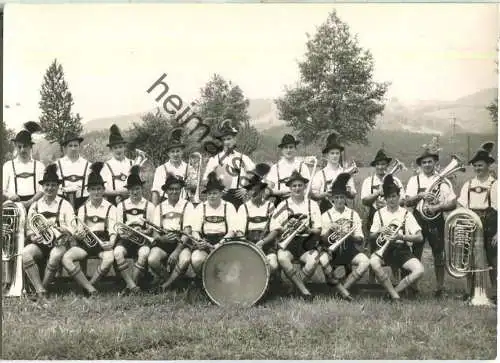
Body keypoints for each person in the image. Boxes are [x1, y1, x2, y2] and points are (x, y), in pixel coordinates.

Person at [405, 137, 457, 297]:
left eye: (430, 162)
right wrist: (420, 195)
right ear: (420, 165)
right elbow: (407, 201)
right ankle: (413, 287)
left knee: (439, 254)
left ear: (435, 163)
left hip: (436, 220)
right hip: (418, 219)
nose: (427, 165)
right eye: (424, 162)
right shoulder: (414, 180)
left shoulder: (443, 180)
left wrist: (438, 206)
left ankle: (439, 288)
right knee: (416, 253)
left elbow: (453, 203)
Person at [22, 164, 74, 305]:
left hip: (59, 243)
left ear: (58, 187)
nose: (49, 188)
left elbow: (73, 228)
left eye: (53, 185)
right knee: (26, 253)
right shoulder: (35, 205)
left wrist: (61, 229)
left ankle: (42, 289)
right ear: (42, 187)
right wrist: (33, 236)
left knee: (56, 255)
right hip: (40, 243)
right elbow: (28, 228)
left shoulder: (65, 204)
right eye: (47, 185)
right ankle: (40, 291)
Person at [62, 162, 116, 296]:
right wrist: (78, 234)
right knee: (66, 258)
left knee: (109, 259)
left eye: (99, 189)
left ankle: (90, 285)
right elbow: (79, 231)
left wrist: (111, 243)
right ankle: (90, 288)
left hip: (103, 243)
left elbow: (113, 231)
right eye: (93, 189)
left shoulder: (111, 208)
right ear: (88, 191)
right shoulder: (82, 209)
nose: (96, 192)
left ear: (103, 190)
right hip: (86, 244)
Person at [370, 175, 425, 302]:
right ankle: (395, 296)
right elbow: (371, 236)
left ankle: (393, 292)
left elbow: (419, 237)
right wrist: (379, 231)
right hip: (384, 249)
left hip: (401, 249)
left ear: (398, 197)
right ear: (385, 198)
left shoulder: (406, 214)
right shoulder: (379, 214)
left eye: (394, 196)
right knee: (373, 263)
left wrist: (402, 236)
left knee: (419, 270)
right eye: (388, 197)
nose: (391, 200)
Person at [270, 170, 322, 300]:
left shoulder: (312, 205)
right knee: (282, 258)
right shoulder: (283, 205)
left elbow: (318, 229)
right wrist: (287, 227)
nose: (297, 188)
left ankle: (294, 289)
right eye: (294, 186)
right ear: (290, 188)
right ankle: (304, 291)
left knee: (313, 261)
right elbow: (274, 226)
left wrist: (308, 229)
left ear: (304, 187)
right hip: (289, 243)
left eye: (300, 185)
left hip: (307, 243)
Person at [457, 142, 497, 301]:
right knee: (469, 259)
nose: (478, 168)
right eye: (476, 166)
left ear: (488, 165)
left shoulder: (495, 184)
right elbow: (461, 204)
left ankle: (495, 293)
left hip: (490, 224)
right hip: (471, 224)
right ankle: (470, 292)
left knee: (493, 260)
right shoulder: (468, 184)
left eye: (481, 165)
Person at [318, 173, 368, 300]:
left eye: (342, 197)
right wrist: (330, 229)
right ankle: (343, 292)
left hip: (349, 250)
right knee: (323, 260)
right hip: (331, 251)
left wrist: (348, 235)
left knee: (365, 262)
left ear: (346, 199)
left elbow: (360, 239)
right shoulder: (326, 215)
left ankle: (342, 289)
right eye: (337, 197)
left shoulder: (353, 214)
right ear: (332, 199)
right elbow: (322, 239)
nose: (340, 200)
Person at [361, 149, 405, 283]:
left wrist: (388, 203)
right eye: (378, 164)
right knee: (373, 246)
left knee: (394, 244)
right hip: (374, 214)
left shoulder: (395, 180)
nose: (380, 167)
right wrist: (377, 194)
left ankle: (395, 280)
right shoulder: (369, 181)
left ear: (387, 165)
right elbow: (364, 200)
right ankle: (372, 281)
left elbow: (403, 200)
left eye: (383, 164)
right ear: (375, 166)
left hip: (392, 215)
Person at [149, 173, 195, 291]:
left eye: (177, 189)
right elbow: (155, 233)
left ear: (180, 190)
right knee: (152, 259)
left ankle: (166, 285)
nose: (174, 192)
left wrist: (177, 251)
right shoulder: (159, 207)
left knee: (185, 259)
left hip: (181, 241)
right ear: (166, 191)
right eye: (171, 189)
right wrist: (162, 239)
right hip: (164, 241)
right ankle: (174, 281)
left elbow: (188, 231)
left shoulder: (187, 205)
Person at [113, 166, 155, 294]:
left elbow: (151, 228)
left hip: (142, 239)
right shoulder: (121, 206)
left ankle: (130, 286)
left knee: (144, 253)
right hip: (126, 240)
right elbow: (119, 228)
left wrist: (144, 232)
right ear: (128, 191)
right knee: (118, 252)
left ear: (141, 189)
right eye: (132, 189)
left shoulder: (149, 206)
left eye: (137, 189)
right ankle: (132, 286)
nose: (135, 192)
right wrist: (126, 233)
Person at [190, 172, 240, 275]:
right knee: (196, 260)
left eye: (214, 193)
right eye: (209, 194)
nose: (211, 196)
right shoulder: (200, 207)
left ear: (221, 194)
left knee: (230, 263)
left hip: (224, 242)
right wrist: (199, 241)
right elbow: (194, 230)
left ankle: (221, 282)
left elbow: (232, 231)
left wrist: (220, 244)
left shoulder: (229, 206)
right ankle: (202, 280)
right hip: (205, 241)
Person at [202, 120, 255, 209]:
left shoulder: (243, 158)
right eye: (224, 140)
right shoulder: (215, 159)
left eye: (229, 139)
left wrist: (247, 188)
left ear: (234, 139)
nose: (226, 142)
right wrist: (217, 188)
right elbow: (205, 180)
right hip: (221, 197)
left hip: (238, 197)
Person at [236, 169, 279, 274]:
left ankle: (268, 282)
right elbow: (239, 231)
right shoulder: (243, 207)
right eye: (252, 190)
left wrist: (263, 242)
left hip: (266, 244)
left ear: (263, 191)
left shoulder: (271, 206)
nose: (254, 193)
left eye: (258, 190)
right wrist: (247, 245)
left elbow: (275, 230)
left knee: (272, 265)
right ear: (249, 191)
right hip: (248, 244)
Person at [2, 122, 45, 210]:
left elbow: (42, 189)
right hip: (14, 206)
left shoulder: (39, 166)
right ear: (15, 146)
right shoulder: (8, 166)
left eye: (25, 146)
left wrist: (31, 201)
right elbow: (3, 189)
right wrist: (10, 196)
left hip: (34, 205)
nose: (22, 150)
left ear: (30, 147)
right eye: (19, 147)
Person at [311, 132, 356, 214]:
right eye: (332, 153)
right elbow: (314, 196)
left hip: (342, 209)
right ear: (327, 155)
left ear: (340, 155)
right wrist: (325, 194)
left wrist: (349, 192)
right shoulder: (320, 174)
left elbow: (353, 195)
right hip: (326, 209)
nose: (335, 156)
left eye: (337, 153)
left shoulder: (345, 173)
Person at [151, 128, 197, 206]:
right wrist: (154, 211)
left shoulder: (189, 168)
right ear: (168, 153)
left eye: (178, 151)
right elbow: (156, 192)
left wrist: (191, 185)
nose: (175, 154)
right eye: (172, 151)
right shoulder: (161, 169)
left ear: (182, 152)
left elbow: (194, 190)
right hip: (166, 203)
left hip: (185, 203)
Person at [267, 134, 311, 207]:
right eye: (286, 147)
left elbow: (308, 189)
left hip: (299, 203)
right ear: (282, 150)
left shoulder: (302, 166)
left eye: (291, 147)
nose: (288, 150)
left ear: (295, 149)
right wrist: (286, 191)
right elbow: (269, 190)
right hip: (280, 203)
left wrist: (297, 194)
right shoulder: (275, 168)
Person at [101, 124, 134, 206]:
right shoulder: (106, 166)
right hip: (112, 203)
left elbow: (139, 186)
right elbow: (103, 189)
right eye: (115, 148)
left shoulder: (132, 163)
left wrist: (127, 193)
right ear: (111, 149)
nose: (118, 150)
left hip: (132, 201)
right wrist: (119, 193)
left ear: (124, 147)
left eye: (120, 147)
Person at [56, 132, 90, 211]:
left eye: (76, 145)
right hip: (63, 203)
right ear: (65, 148)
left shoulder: (88, 165)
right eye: (70, 146)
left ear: (79, 147)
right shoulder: (57, 165)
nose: (73, 148)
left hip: (84, 202)